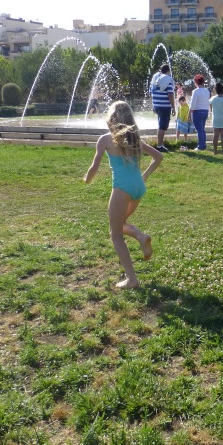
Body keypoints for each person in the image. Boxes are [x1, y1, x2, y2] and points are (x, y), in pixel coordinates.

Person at [84, 101, 163, 289]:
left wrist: (87, 179)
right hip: (138, 188)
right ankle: (140, 237)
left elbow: (94, 166)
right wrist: (144, 176)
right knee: (120, 224)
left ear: (111, 118)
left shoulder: (105, 139)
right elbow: (159, 157)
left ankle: (132, 279)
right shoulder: (135, 140)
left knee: (115, 234)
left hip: (122, 189)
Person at [149, 64, 175, 152]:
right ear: (168, 71)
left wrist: (154, 104)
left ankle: (160, 144)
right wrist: (173, 107)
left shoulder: (155, 78)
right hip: (164, 106)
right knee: (163, 126)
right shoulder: (168, 80)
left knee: (161, 125)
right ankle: (159, 146)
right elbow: (170, 95)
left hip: (157, 105)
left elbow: (151, 92)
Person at [189, 74, 211, 151]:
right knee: (202, 129)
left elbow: (192, 104)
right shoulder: (207, 91)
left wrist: (189, 112)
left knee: (199, 130)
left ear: (196, 82)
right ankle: (203, 144)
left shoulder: (195, 91)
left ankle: (201, 146)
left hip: (197, 111)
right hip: (205, 111)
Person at [209, 82, 223, 154]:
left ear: (215, 90)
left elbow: (211, 108)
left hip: (215, 118)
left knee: (215, 135)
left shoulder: (212, 99)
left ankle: (215, 151)